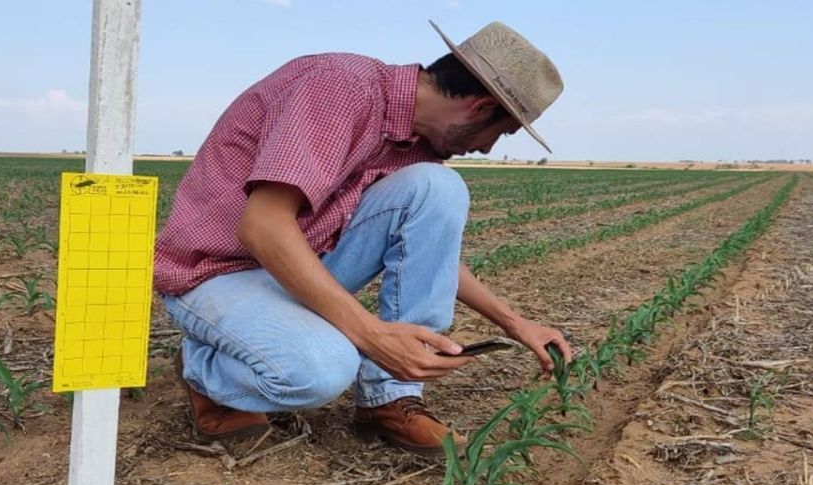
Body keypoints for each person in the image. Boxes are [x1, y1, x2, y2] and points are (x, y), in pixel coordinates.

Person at [153, 21, 572, 456]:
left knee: (439, 186)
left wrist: (514, 322)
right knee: (321, 370)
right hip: (215, 273)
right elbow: (263, 226)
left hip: (294, 264)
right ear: (481, 108)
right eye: (499, 134)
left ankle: (390, 398)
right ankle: (204, 370)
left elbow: (431, 255)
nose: (487, 149)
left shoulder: (415, 145)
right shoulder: (339, 87)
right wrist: (373, 336)